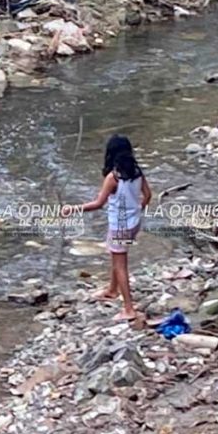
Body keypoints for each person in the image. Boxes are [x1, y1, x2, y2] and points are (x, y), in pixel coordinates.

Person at [65, 134, 151, 327]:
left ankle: (128, 308)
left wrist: (73, 209)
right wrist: (137, 210)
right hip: (133, 223)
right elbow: (148, 195)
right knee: (117, 256)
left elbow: (98, 204)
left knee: (120, 264)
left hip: (119, 226)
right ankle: (112, 290)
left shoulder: (114, 177)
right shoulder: (137, 172)